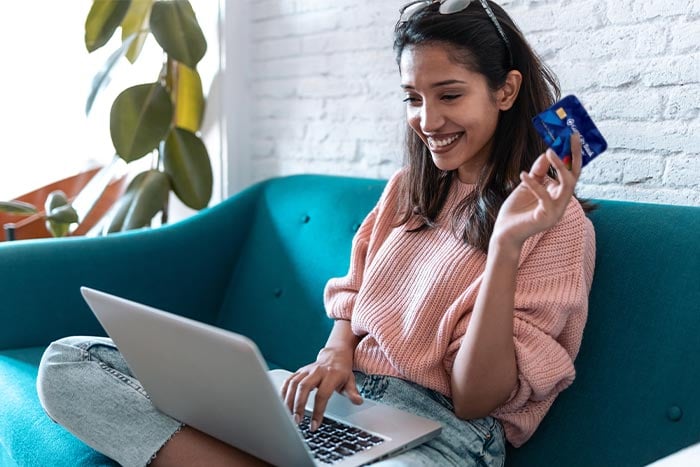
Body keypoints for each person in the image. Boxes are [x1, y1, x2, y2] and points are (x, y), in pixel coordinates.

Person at [36, 0, 595, 466]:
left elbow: (476, 402)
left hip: (442, 438)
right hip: (340, 406)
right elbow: (352, 303)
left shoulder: (558, 227)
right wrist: (334, 355)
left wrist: (504, 246)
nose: (427, 120)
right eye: (413, 97)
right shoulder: (408, 190)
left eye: (449, 95)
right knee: (71, 363)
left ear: (505, 89)